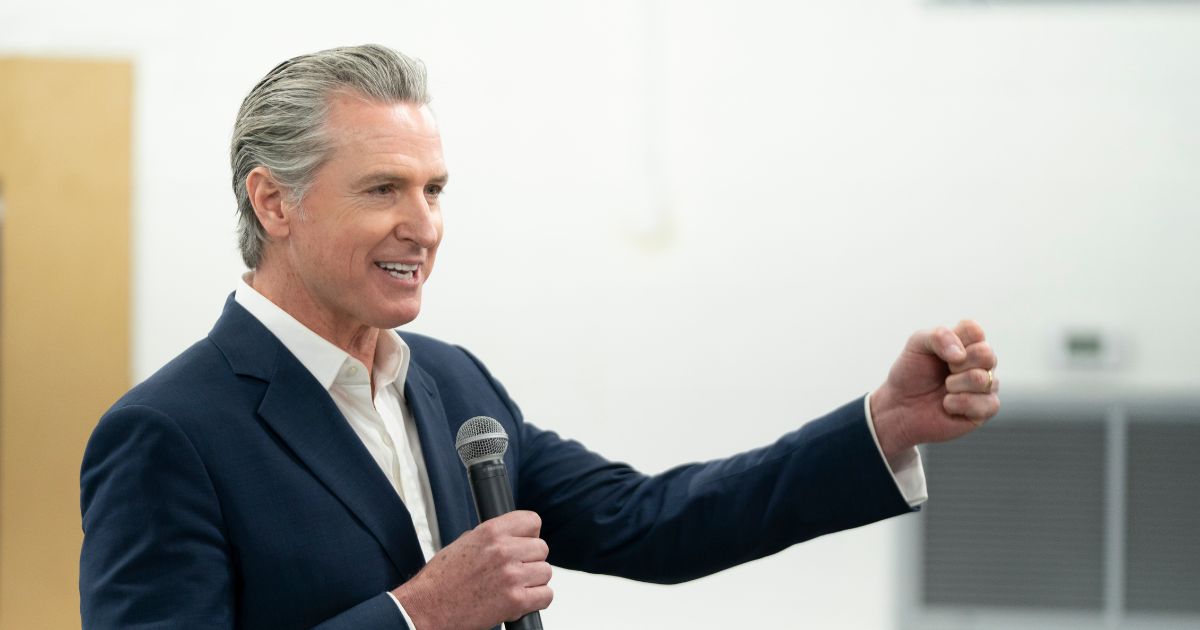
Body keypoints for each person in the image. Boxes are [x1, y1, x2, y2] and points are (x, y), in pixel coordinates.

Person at [79, 44, 1000, 630]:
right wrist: (416, 617)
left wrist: (883, 427)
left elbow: (656, 524)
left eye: (435, 190)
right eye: (382, 189)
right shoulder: (168, 433)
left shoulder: (451, 385)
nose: (424, 225)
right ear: (272, 201)